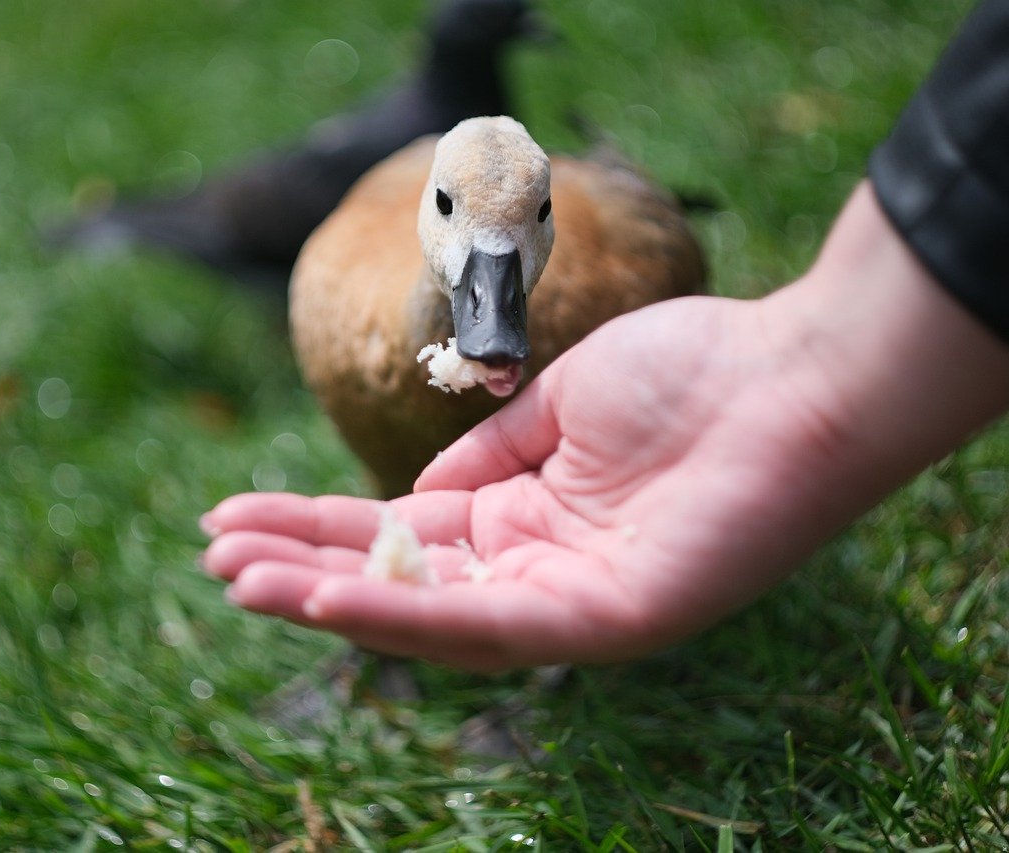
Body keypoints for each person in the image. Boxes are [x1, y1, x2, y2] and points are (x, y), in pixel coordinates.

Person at [199, 0, 1009, 672]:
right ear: (424, 198)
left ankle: (553, 671)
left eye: (528, 223)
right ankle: (375, 652)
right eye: (451, 211)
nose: (492, 310)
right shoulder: (332, 269)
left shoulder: (628, 280)